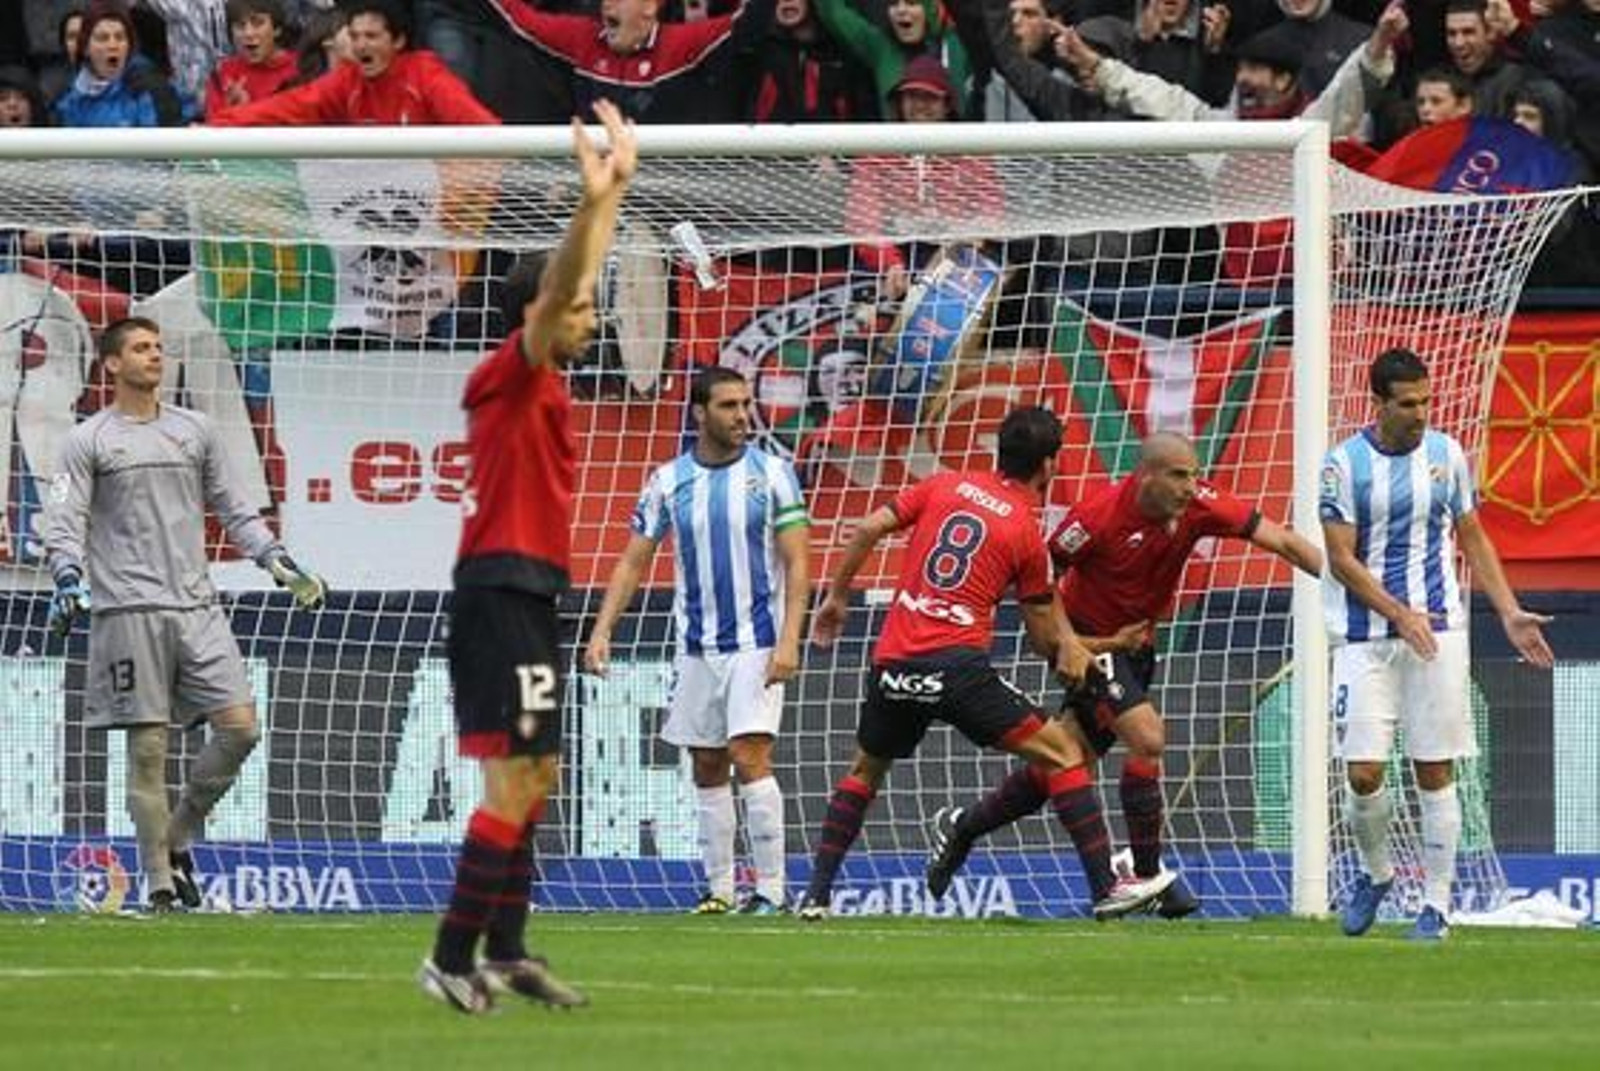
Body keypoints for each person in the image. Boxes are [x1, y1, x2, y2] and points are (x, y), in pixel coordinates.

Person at [419, 99, 637, 1015]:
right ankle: (449, 955)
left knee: (537, 771)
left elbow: (566, 290)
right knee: (513, 776)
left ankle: (506, 950)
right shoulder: (514, 368)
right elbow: (557, 299)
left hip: (533, 589)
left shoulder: (540, 384)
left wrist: (616, 193)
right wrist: (594, 205)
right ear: (539, 312)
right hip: (498, 589)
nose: (591, 318)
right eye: (584, 304)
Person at [797, 406, 1176, 921]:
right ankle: (1106, 888)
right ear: (1049, 465)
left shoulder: (943, 485)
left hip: (894, 663)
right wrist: (1094, 651)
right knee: (1064, 754)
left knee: (866, 769)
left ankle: (816, 896)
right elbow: (1046, 639)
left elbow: (866, 528)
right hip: (957, 670)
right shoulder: (1025, 533)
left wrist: (838, 599)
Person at [926, 431, 1323, 917]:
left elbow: (1280, 539)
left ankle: (963, 826)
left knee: (1065, 757)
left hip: (1136, 648)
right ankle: (1146, 873)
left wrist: (1345, 579)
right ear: (1146, 475)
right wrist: (1069, 643)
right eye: (1179, 475)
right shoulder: (1096, 517)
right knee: (1148, 738)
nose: (1190, 486)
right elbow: (1038, 575)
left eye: (1195, 474)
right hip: (1091, 644)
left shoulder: (1201, 505)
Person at [41, 316, 328, 913]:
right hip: (127, 612)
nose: (155, 356)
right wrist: (68, 576)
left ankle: (179, 834)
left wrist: (279, 563)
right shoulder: (87, 439)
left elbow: (235, 507)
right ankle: (161, 887)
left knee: (242, 728)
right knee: (148, 752)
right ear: (113, 364)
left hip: (198, 608)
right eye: (141, 348)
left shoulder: (194, 430)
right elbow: (62, 520)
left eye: (158, 347)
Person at [1324, 348, 1554, 942]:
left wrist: (1507, 612)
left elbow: (1472, 536)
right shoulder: (1342, 466)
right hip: (1365, 635)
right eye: (1407, 404)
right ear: (1378, 404)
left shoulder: (1447, 454)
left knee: (1434, 768)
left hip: (1439, 632)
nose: (1421, 412)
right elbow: (1342, 559)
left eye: (1426, 400)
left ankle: (1436, 906)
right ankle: (1376, 874)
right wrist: (1399, 614)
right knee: (1365, 773)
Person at [584, 366, 811, 916]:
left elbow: (798, 562)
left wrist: (789, 641)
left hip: (756, 643)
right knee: (707, 764)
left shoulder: (775, 473)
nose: (742, 416)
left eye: (745, 404)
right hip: (695, 647)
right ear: (699, 413)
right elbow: (634, 561)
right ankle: (719, 889)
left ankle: (772, 892)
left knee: (749, 754)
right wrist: (601, 630)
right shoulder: (668, 481)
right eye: (729, 406)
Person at [210, 0, 498, 126]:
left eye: (372, 36)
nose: (361, 45)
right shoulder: (347, 80)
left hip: (442, 211)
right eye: (355, 36)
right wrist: (219, 125)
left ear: (397, 41)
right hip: (374, 208)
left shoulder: (426, 73)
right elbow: (286, 107)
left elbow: (482, 129)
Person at [203, 0, 299, 119]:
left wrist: (248, 110)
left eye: (258, 23)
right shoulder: (223, 75)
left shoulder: (301, 69)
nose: (248, 33)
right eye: (240, 26)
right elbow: (212, 128)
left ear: (277, 29)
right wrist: (231, 109)